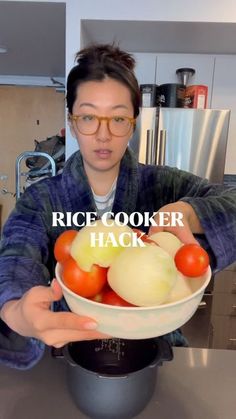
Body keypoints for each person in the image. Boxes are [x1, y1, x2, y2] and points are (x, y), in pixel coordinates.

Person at [0, 44, 236, 369]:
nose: (103, 134)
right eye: (87, 117)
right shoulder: (41, 199)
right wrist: (16, 309)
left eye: (118, 118)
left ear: (133, 123)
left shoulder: (163, 185)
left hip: (155, 352)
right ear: (71, 122)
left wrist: (189, 213)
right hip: (65, 351)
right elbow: (16, 257)